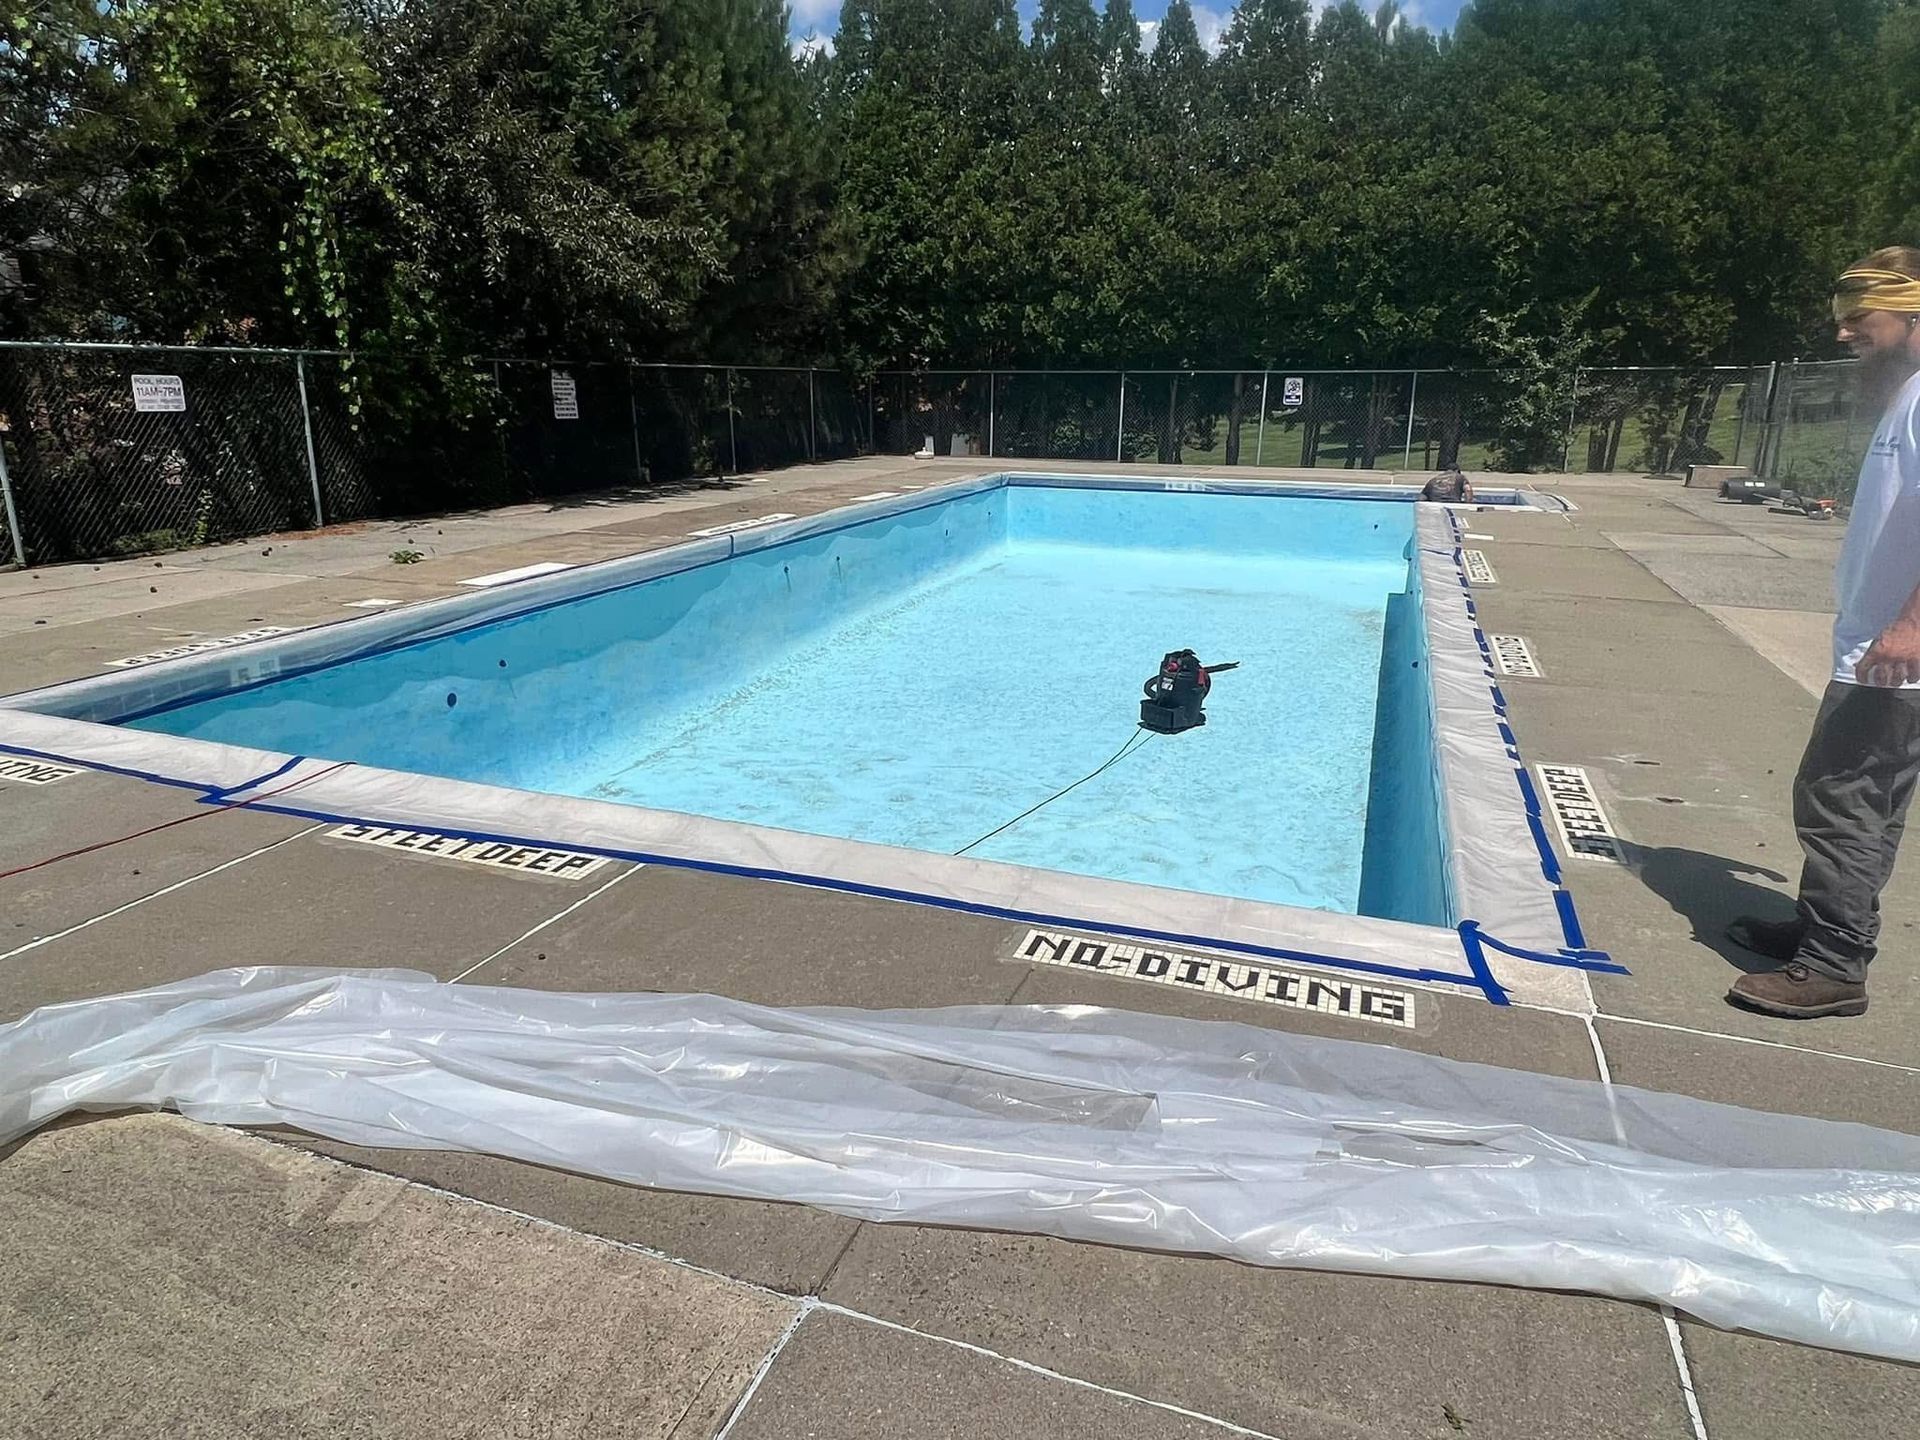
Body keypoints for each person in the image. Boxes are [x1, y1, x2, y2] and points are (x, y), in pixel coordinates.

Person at [1726, 246, 1920, 1018]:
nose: (1844, 333)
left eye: (1858, 317)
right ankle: (1826, 932)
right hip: (1880, 642)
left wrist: (1909, 626)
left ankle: (1835, 964)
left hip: (1896, 654)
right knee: (1866, 799)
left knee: (1837, 795)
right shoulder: (1908, 395)